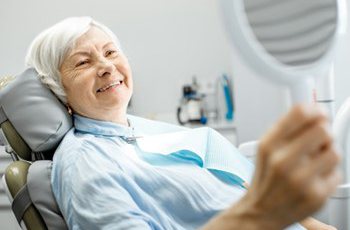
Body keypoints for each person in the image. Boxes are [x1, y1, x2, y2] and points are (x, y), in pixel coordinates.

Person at [25, 17, 340, 230]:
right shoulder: (86, 164)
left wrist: (311, 224)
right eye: (83, 62)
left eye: (111, 52)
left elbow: (236, 187)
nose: (107, 66)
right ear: (57, 88)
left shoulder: (134, 131)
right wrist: (263, 210)